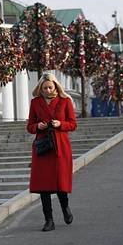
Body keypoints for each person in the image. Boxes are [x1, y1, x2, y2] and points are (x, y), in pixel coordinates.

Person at [26, 73, 77, 232]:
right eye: (45, 88)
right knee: (44, 187)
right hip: (43, 148)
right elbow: (29, 126)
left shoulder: (65, 101)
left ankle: (65, 208)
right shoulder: (35, 103)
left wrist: (60, 123)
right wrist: (37, 127)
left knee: (60, 183)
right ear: (40, 88)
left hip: (60, 147)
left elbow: (73, 124)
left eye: (50, 87)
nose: (47, 90)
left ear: (56, 87)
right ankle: (49, 220)